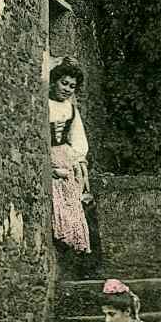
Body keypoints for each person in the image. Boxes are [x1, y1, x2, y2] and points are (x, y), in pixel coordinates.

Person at [49, 57, 92, 254]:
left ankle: (74, 240)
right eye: (63, 83)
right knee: (57, 194)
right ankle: (62, 234)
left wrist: (77, 159)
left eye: (72, 86)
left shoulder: (71, 109)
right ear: (53, 82)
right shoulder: (45, 104)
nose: (67, 89)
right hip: (49, 153)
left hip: (64, 154)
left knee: (71, 198)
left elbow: (78, 138)